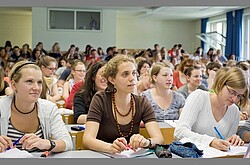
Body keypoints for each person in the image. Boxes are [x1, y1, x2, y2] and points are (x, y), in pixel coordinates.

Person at [82, 55, 164, 154]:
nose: (132, 78)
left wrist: (146, 142)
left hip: (130, 157)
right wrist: (110, 147)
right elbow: (87, 139)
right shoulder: (100, 99)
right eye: (125, 74)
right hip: (104, 155)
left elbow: (159, 139)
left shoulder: (142, 102)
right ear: (112, 79)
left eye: (134, 73)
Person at [0, 61, 72, 153]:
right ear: (14, 85)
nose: (36, 88)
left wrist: (46, 143)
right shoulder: (1, 107)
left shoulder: (49, 109)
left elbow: (67, 143)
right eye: (29, 81)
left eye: (39, 82)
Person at [174, 67, 249, 151]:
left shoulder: (234, 110)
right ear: (221, 84)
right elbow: (179, 132)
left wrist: (232, 140)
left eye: (239, 96)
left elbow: (227, 142)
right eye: (232, 92)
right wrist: (210, 141)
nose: (234, 99)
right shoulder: (199, 97)